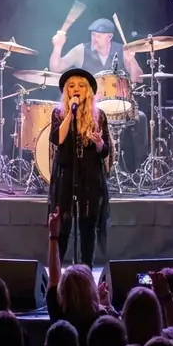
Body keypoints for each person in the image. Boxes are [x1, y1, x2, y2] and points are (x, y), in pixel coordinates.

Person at [50, 18, 147, 170]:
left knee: (141, 117)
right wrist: (57, 47)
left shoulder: (122, 50)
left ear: (109, 37)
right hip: (87, 107)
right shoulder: (81, 50)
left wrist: (131, 61)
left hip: (118, 107)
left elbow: (138, 78)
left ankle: (139, 168)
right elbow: (56, 67)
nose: (94, 39)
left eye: (99, 36)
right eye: (93, 35)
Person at [48, 68, 112, 269]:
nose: (76, 89)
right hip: (66, 175)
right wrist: (70, 113)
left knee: (87, 225)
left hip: (90, 176)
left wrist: (99, 143)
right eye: (71, 86)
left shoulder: (99, 116)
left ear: (88, 91)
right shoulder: (59, 114)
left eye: (81, 86)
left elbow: (105, 151)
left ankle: (86, 270)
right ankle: (57, 274)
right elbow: (57, 139)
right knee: (63, 225)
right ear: (66, 91)